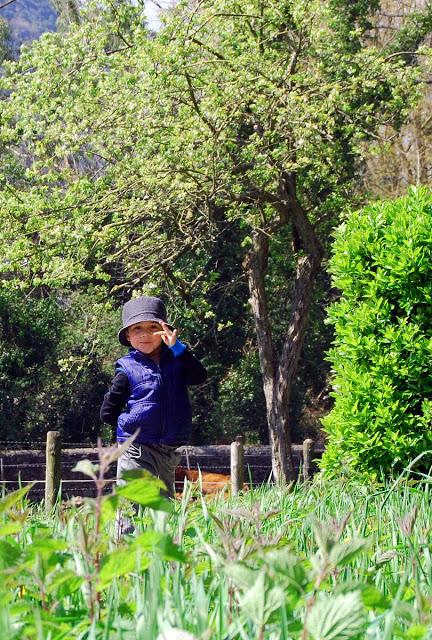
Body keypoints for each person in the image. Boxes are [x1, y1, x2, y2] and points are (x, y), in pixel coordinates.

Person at [100, 295, 207, 531]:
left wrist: (178, 348)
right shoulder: (126, 369)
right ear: (127, 335)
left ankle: (159, 562)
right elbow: (108, 411)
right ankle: (122, 555)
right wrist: (129, 428)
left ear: (165, 330)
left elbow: (200, 376)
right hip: (136, 447)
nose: (145, 334)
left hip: (168, 450)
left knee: (163, 509)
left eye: (153, 327)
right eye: (137, 328)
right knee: (131, 504)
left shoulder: (178, 361)